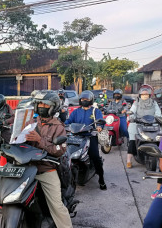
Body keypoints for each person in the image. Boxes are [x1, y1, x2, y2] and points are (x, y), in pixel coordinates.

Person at [25, 92, 73, 228]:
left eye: (45, 104)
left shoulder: (58, 127)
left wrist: (39, 140)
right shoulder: (31, 122)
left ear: (53, 107)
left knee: (57, 205)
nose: (42, 106)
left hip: (46, 169)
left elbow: (59, 150)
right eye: (40, 103)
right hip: (27, 168)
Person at [65, 90, 107, 190]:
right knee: (66, 155)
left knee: (95, 156)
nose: (84, 101)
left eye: (86, 99)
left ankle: (101, 179)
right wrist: (63, 124)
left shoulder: (95, 111)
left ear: (91, 100)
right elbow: (69, 121)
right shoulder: (75, 112)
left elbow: (100, 121)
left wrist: (100, 126)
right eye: (83, 99)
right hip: (75, 136)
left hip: (90, 136)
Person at [126, 86, 161, 168]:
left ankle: (160, 157)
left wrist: (158, 118)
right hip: (138, 123)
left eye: (146, 94)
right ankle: (129, 160)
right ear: (140, 95)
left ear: (149, 95)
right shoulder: (136, 102)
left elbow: (158, 113)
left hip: (152, 124)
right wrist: (131, 116)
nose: (144, 96)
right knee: (132, 140)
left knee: (159, 138)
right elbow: (133, 110)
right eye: (143, 94)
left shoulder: (153, 103)